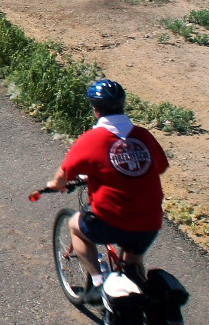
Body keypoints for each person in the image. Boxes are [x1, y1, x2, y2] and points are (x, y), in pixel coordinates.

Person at [44, 79, 168, 301]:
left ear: (95, 109)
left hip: (112, 221)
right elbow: (160, 167)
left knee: (75, 225)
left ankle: (98, 284)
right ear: (123, 105)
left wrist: (56, 184)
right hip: (150, 223)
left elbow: (65, 173)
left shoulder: (92, 139)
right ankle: (140, 300)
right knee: (133, 258)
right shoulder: (143, 136)